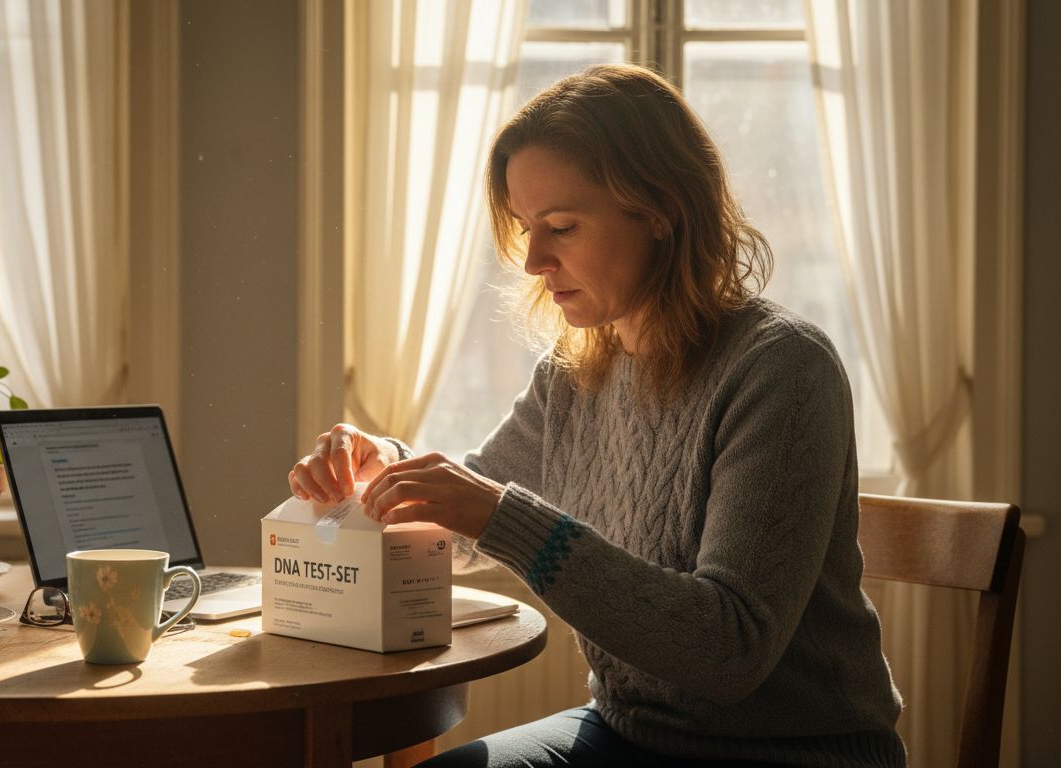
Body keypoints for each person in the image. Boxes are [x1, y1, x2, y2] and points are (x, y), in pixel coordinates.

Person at [289, 63, 905, 768]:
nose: (533, 260)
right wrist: (387, 468)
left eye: (561, 226)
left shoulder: (782, 369)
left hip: (792, 753)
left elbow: (729, 650)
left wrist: (500, 515)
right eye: (526, 228)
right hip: (627, 733)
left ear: (661, 210)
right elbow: (469, 518)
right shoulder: (576, 373)